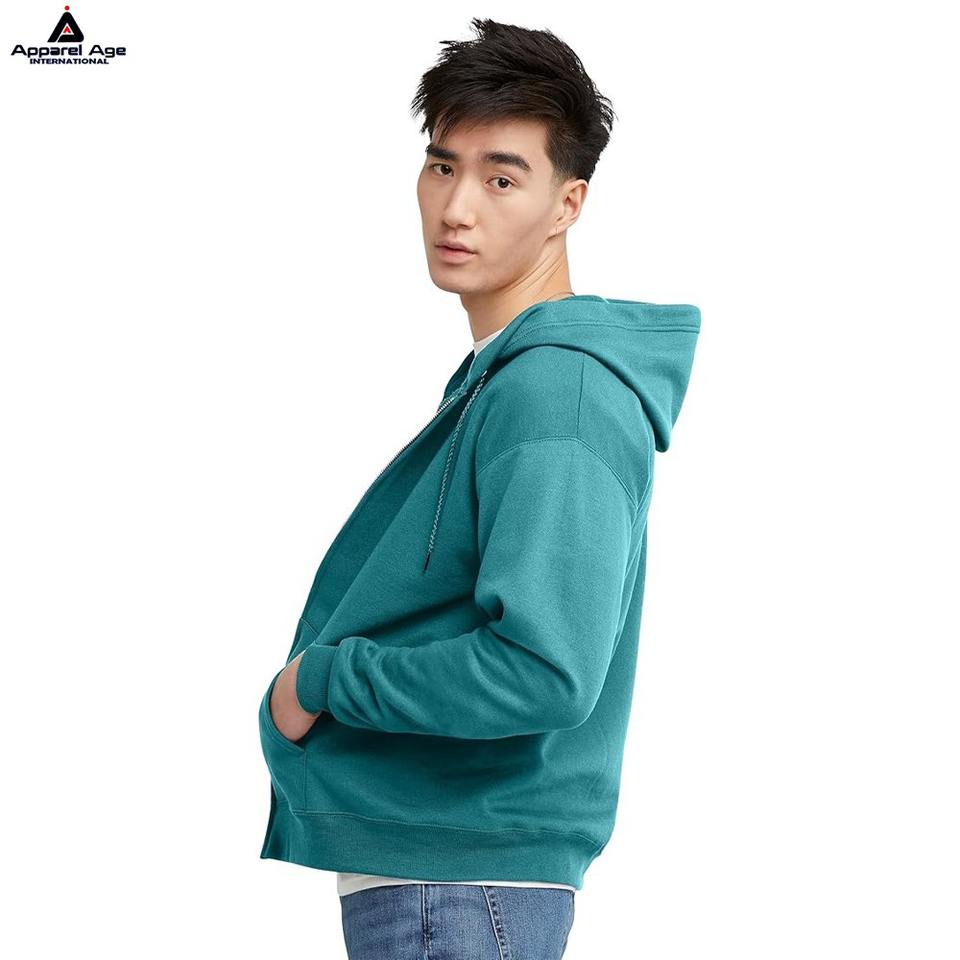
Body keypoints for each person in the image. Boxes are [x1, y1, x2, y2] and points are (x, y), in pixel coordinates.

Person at [257, 17, 701, 959]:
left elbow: (543, 670)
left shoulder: (558, 394)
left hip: (456, 890)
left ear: (567, 203)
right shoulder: (509, 380)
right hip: (447, 882)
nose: (457, 207)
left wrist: (324, 680)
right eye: (441, 166)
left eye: (502, 178)